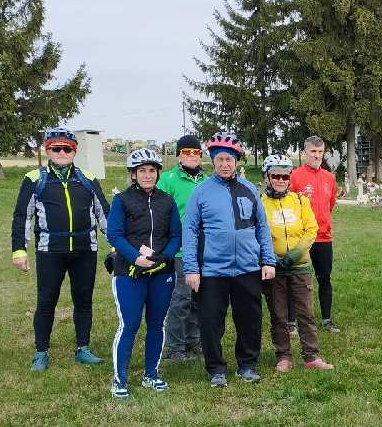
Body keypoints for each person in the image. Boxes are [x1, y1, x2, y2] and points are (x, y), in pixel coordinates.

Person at [11, 128, 110, 371]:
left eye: (67, 149)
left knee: (83, 300)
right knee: (46, 301)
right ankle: (41, 352)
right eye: (56, 148)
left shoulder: (87, 178)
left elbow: (104, 213)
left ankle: (83, 348)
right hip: (50, 251)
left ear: (75, 151)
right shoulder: (35, 179)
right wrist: (19, 250)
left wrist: (116, 244)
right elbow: (23, 216)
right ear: (48, 151)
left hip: (85, 250)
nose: (62, 153)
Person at [182, 130, 276, 387]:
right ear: (213, 160)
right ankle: (216, 369)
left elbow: (262, 227)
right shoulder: (201, 192)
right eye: (220, 159)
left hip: (247, 268)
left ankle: (247, 365)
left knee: (249, 320)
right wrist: (191, 268)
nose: (225, 164)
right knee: (211, 322)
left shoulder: (249, 189)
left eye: (229, 160)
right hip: (213, 270)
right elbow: (189, 230)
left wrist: (268, 260)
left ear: (236, 161)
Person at [106, 148, 181, 399]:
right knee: (129, 325)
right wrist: (135, 257)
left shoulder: (167, 201)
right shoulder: (122, 200)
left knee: (156, 324)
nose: (148, 175)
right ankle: (120, 379)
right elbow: (114, 234)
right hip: (129, 272)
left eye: (152, 170)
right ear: (133, 174)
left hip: (161, 272)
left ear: (158, 173)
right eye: (142, 171)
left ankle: (151, 374)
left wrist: (165, 256)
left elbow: (176, 235)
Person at [260, 154, 334, 372]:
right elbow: (256, 232)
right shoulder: (259, 203)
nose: (280, 180)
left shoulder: (300, 201)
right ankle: (283, 356)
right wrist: (270, 258)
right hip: (272, 267)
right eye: (275, 176)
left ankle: (311, 356)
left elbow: (311, 230)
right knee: (278, 314)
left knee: (305, 312)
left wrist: (294, 255)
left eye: (285, 176)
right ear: (267, 177)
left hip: (299, 266)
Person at [158, 133, 206, 361]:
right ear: (179, 154)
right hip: (180, 248)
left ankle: (193, 340)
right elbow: (159, 212)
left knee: (199, 297)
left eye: (196, 152)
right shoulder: (167, 180)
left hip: (205, 248)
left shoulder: (208, 180)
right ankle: (175, 347)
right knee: (182, 298)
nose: (192, 156)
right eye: (187, 152)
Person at [289, 135, 340, 334]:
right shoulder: (295, 176)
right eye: (313, 152)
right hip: (301, 238)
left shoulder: (329, 177)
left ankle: (326, 320)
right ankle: (291, 321)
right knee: (296, 278)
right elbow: (290, 205)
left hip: (324, 237)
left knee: (324, 278)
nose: (317, 156)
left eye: (320, 152)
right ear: (305, 153)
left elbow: (331, 204)